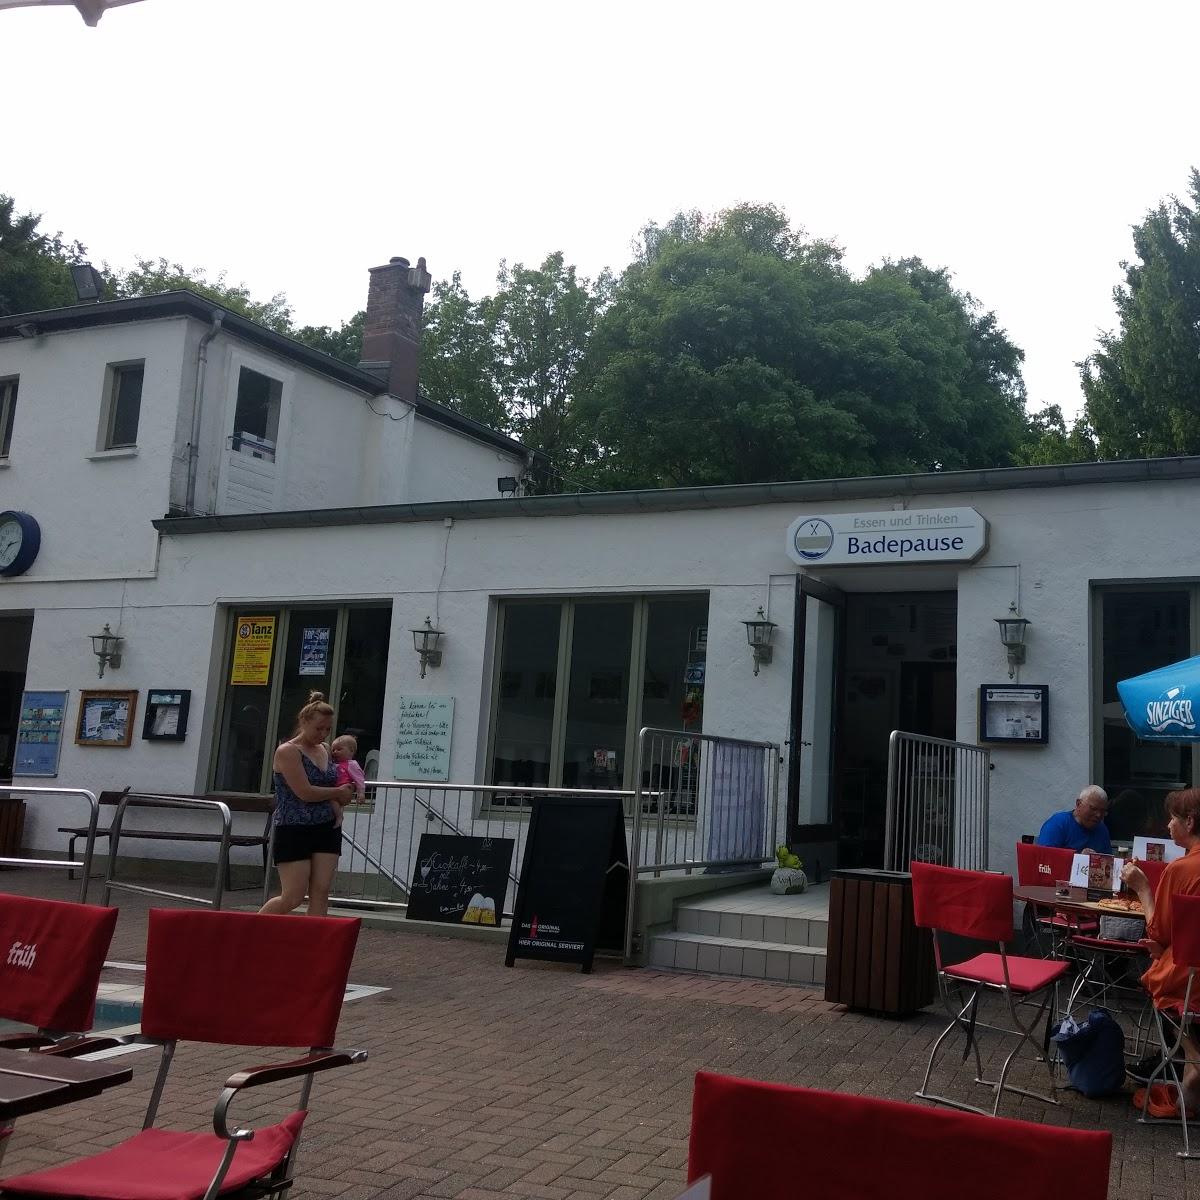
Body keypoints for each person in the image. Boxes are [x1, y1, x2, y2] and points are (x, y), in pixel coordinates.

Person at [1120, 787, 1200, 1116]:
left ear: (1190, 822)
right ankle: (1189, 1078)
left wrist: (1141, 888)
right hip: (1193, 967)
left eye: (1173, 818)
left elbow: (1158, 930)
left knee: (1158, 979)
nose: (1168, 825)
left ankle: (1194, 1059)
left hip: (1189, 980)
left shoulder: (1181, 870)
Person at [259, 692, 353, 917]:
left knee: (321, 891)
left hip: (326, 826)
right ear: (304, 722)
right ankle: (251, 930)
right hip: (294, 827)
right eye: (318, 728)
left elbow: (336, 780)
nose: (323, 734)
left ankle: (315, 945)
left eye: (327, 729)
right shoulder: (288, 751)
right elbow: (304, 792)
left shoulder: (325, 749)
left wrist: (348, 790)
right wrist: (338, 792)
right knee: (293, 895)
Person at [1035, 785, 1113, 853]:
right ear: (1078, 804)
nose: (1098, 815)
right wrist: (1079, 858)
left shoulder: (1101, 829)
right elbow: (1044, 858)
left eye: (1103, 811)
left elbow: (1108, 861)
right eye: (1093, 809)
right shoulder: (1058, 824)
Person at [329, 734, 366, 828]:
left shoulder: (352, 764)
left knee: (332, 800)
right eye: (333, 750)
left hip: (342, 789)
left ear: (351, 751)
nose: (335, 752)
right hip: (335, 789)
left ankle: (339, 816)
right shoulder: (334, 763)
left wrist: (361, 793)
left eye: (339, 749)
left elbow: (359, 779)